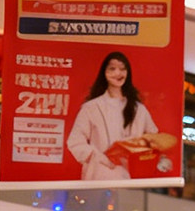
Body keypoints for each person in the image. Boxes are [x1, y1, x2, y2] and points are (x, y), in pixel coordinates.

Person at [67, 52, 159, 182]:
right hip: (97, 178)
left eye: (122, 69)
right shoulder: (91, 107)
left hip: (131, 182)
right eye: (112, 69)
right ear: (104, 73)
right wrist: (98, 158)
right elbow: (75, 142)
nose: (118, 73)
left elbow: (154, 139)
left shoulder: (139, 109)